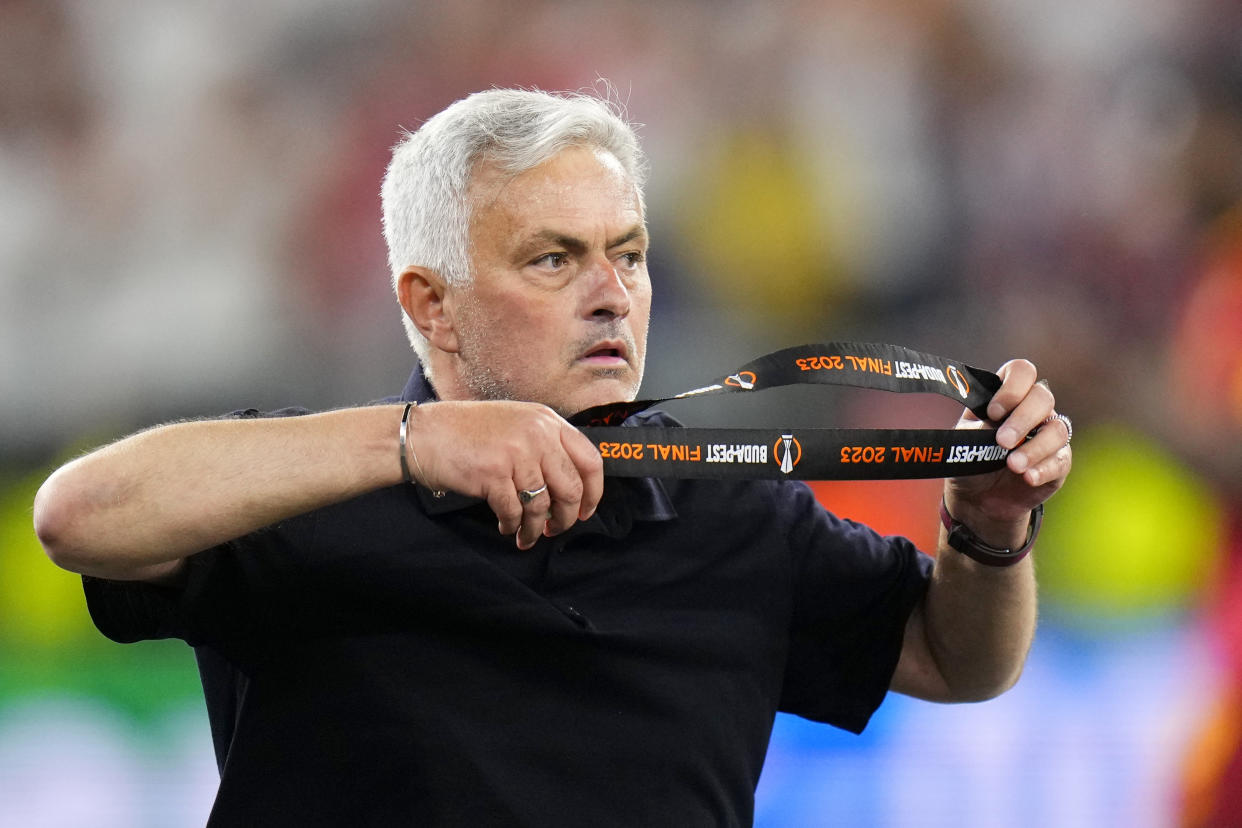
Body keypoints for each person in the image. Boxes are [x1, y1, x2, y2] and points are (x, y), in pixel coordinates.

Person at [33, 88, 1072, 826]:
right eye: (554, 259)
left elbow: (956, 660)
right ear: (431, 307)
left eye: (627, 253)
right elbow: (76, 517)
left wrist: (987, 531)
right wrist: (411, 445)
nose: (612, 292)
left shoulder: (734, 513)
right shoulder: (304, 492)